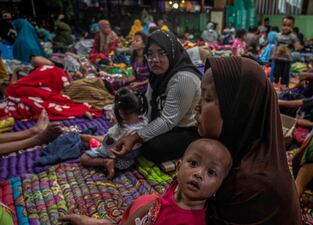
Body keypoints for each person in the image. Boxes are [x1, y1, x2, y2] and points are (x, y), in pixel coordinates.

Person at [197, 57, 300, 224]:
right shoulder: (237, 146)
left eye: (207, 98)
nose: (197, 106)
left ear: (237, 110)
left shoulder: (251, 183)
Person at [59, 138, 232, 225]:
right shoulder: (180, 188)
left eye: (211, 172)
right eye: (193, 163)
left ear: (218, 187)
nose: (198, 174)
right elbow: (158, 206)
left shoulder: (190, 220)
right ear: (178, 168)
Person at [113, 30, 201, 164]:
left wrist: (136, 137)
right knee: (127, 131)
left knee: (152, 147)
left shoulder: (183, 78)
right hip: (170, 123)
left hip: (187, 128)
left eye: (161, 53)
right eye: (150, 54)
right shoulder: (157, 76)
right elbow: (149, 104)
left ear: (172, 52)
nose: (154, 60)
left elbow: (167, 120)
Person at [80, 87, 148, 179]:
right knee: (96, 140)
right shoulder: (144, 120)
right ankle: (91, 139)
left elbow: (110, 146)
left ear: (120, 112)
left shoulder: (124, 129)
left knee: (84, 158)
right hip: (129, 158)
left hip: (118, 156)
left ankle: (105, 162)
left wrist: (115, 126)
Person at [271, 15, 299, 89]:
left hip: (287, 59)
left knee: (285, 75)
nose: (286, 27)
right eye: (284, 25)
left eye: (289, 25)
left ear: (292, 26)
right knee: (276, 73)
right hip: (278, 58)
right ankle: (274, 86)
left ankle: (284, 88)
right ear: (281, 25)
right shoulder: (278, 35)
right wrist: (273, 55)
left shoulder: (293, 36)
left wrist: (294, 46)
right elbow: (275, 46)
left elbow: (297, 47)